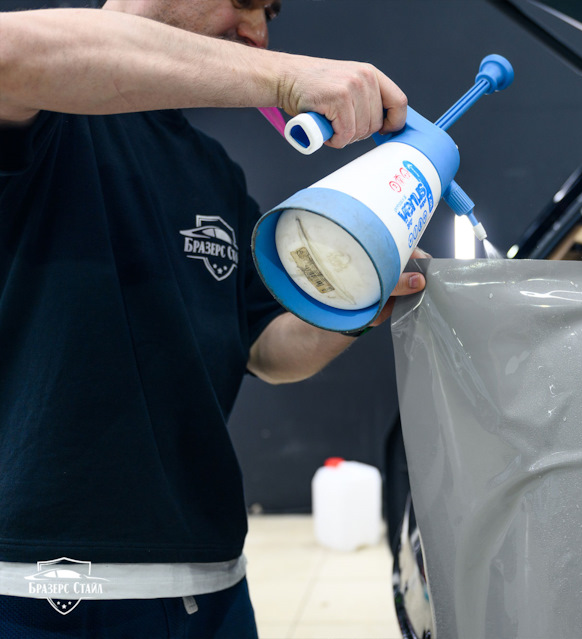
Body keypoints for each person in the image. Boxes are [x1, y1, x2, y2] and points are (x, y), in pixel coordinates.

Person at [0, 1, 425, 635]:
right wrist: (284, 78)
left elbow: (266, 347)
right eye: (246, 0)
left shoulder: (214, 170)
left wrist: (353, 301)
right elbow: (8, 55)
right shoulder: (46, 110)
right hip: (42, 587)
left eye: (270, 15)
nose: (258, 33)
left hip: (213, 580)